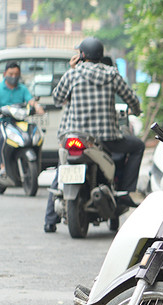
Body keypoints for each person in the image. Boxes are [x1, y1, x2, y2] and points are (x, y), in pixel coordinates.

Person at [43, 38, 143, 233]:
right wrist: (137, 110)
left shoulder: (73, 74)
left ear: (82, 56)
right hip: (107, 138)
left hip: (74, 135)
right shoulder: (112, 74)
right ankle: (124, 191)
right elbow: (131, 98)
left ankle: (49, 219)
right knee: (138, 146)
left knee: (62, 167)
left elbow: (57, 99)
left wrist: (71, 69)